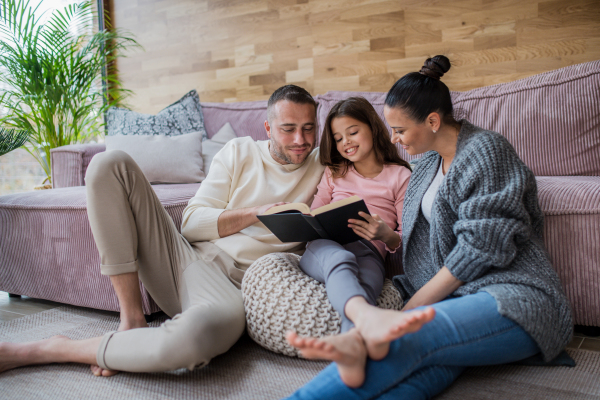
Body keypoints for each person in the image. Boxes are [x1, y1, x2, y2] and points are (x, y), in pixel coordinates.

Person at [286, 56, 573, 399]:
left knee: (400, 342)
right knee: (414, 382)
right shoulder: (424, 166)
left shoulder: (485, 150)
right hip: (452, 299)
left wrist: (408, 310)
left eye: (401, 130)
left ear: (433, 120)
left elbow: (482, 247)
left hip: (511, 296)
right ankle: (360, 346)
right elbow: (419, 242)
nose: (393, 139)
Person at [0, 84, 325, 376]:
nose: (300, 140)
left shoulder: (324, 164)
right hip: (188, 261)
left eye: (309, 129)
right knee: (107, 164)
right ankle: (131, 320)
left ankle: (56, 349)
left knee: (190, 342)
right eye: (288, 129)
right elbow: (192, 224)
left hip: (236, 291)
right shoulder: (238, 151)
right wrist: (257, 213)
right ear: (268, 128)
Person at [287, 97, 435, 388]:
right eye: (338, 138)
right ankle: (366, 322)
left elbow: (406, 237)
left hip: (369, 251)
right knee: (341, 261)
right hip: (324, 247)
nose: (346, 143)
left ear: (372, 128)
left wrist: (384, 234)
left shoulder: (400, 175)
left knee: (367, 284)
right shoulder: (335, 172)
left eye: (352, 132)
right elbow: (314, 214)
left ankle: (351, 347)